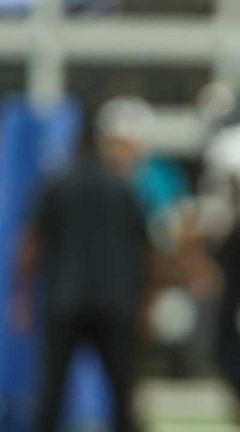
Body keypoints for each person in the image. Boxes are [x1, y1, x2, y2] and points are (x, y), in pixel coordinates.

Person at [11, 128, 150, 432]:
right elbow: (144, 250)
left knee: (52, 391)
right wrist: (144, 302)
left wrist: (20, 296)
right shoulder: (121, 186)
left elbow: (30, 245)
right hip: (116, 301)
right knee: (122, 392)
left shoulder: (56, 183)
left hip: (65, 299)